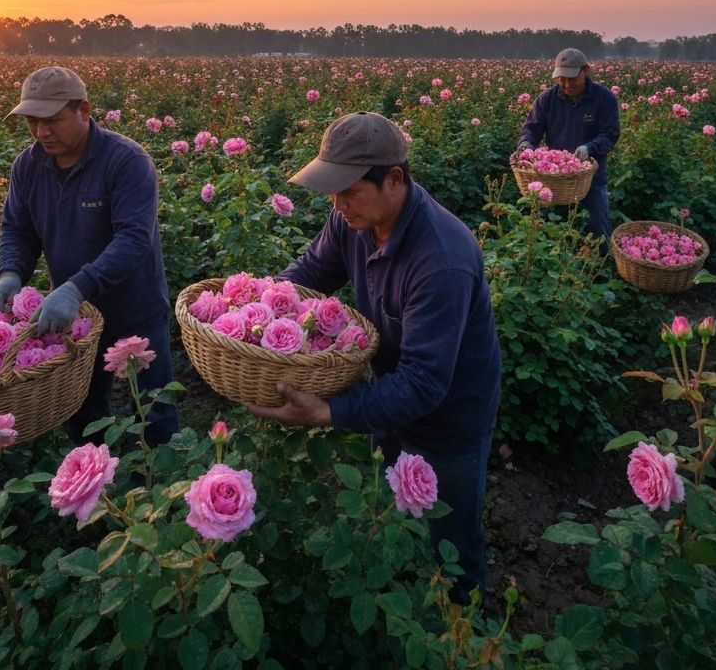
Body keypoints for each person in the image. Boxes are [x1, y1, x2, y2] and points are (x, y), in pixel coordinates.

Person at [247, 111, 502, 602]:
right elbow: (312, 271)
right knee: (388, 513)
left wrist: (327, 411)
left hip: (451, 417)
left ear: (394, 180)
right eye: (332, 191)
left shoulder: (441, 260)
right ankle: (402, 605)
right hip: (389, 391)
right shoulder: (354, 219)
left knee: (450, 539)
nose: (337, 204)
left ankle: (464, 630)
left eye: (349, 191)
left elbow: (426, 383)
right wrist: (258, 306)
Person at [0, 65, 178, 445]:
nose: (42, 132)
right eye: (32, 122)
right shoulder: (27, 166)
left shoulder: (126, 162)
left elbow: (133, 239)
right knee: (83, 414)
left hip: (134, 310)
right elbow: (18, 231)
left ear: (84, 110)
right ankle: (99, 489)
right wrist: (9, 272)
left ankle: (164, 492)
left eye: (53, 120)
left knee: (156, 410)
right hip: (73, 320)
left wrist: (76, 288)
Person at [516, 47, 620, 240]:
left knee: (598, 232)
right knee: (552, 233)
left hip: (591, 180)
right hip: (555, 180)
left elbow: (610, 134)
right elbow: (531, 128)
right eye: (561, 79)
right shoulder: (547, 99)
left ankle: (604, 268)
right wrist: (526, 145)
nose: (566, 84)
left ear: (586, 70)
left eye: (571, 78)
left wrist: (589, 148)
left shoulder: (603, 98)